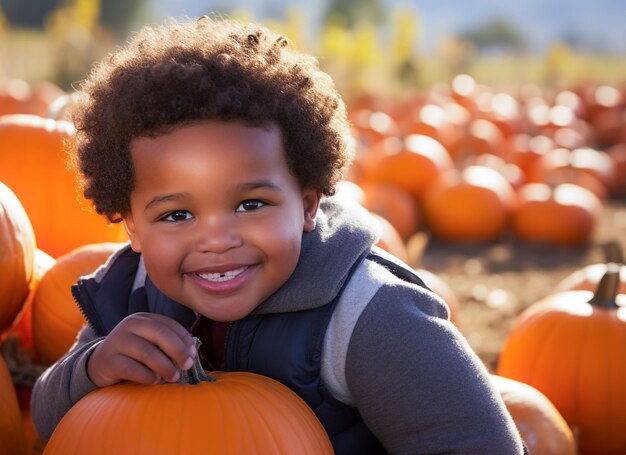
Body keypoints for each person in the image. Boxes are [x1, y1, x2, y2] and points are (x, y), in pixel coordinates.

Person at [31, 16, 526, 454]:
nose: (217, 239)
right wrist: (94, 367)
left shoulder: (370, 316)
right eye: (177, 215)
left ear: (308, 202)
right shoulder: (132, 291)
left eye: (250, 204)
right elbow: (49, 418)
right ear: (133, 225)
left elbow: (478, 443)